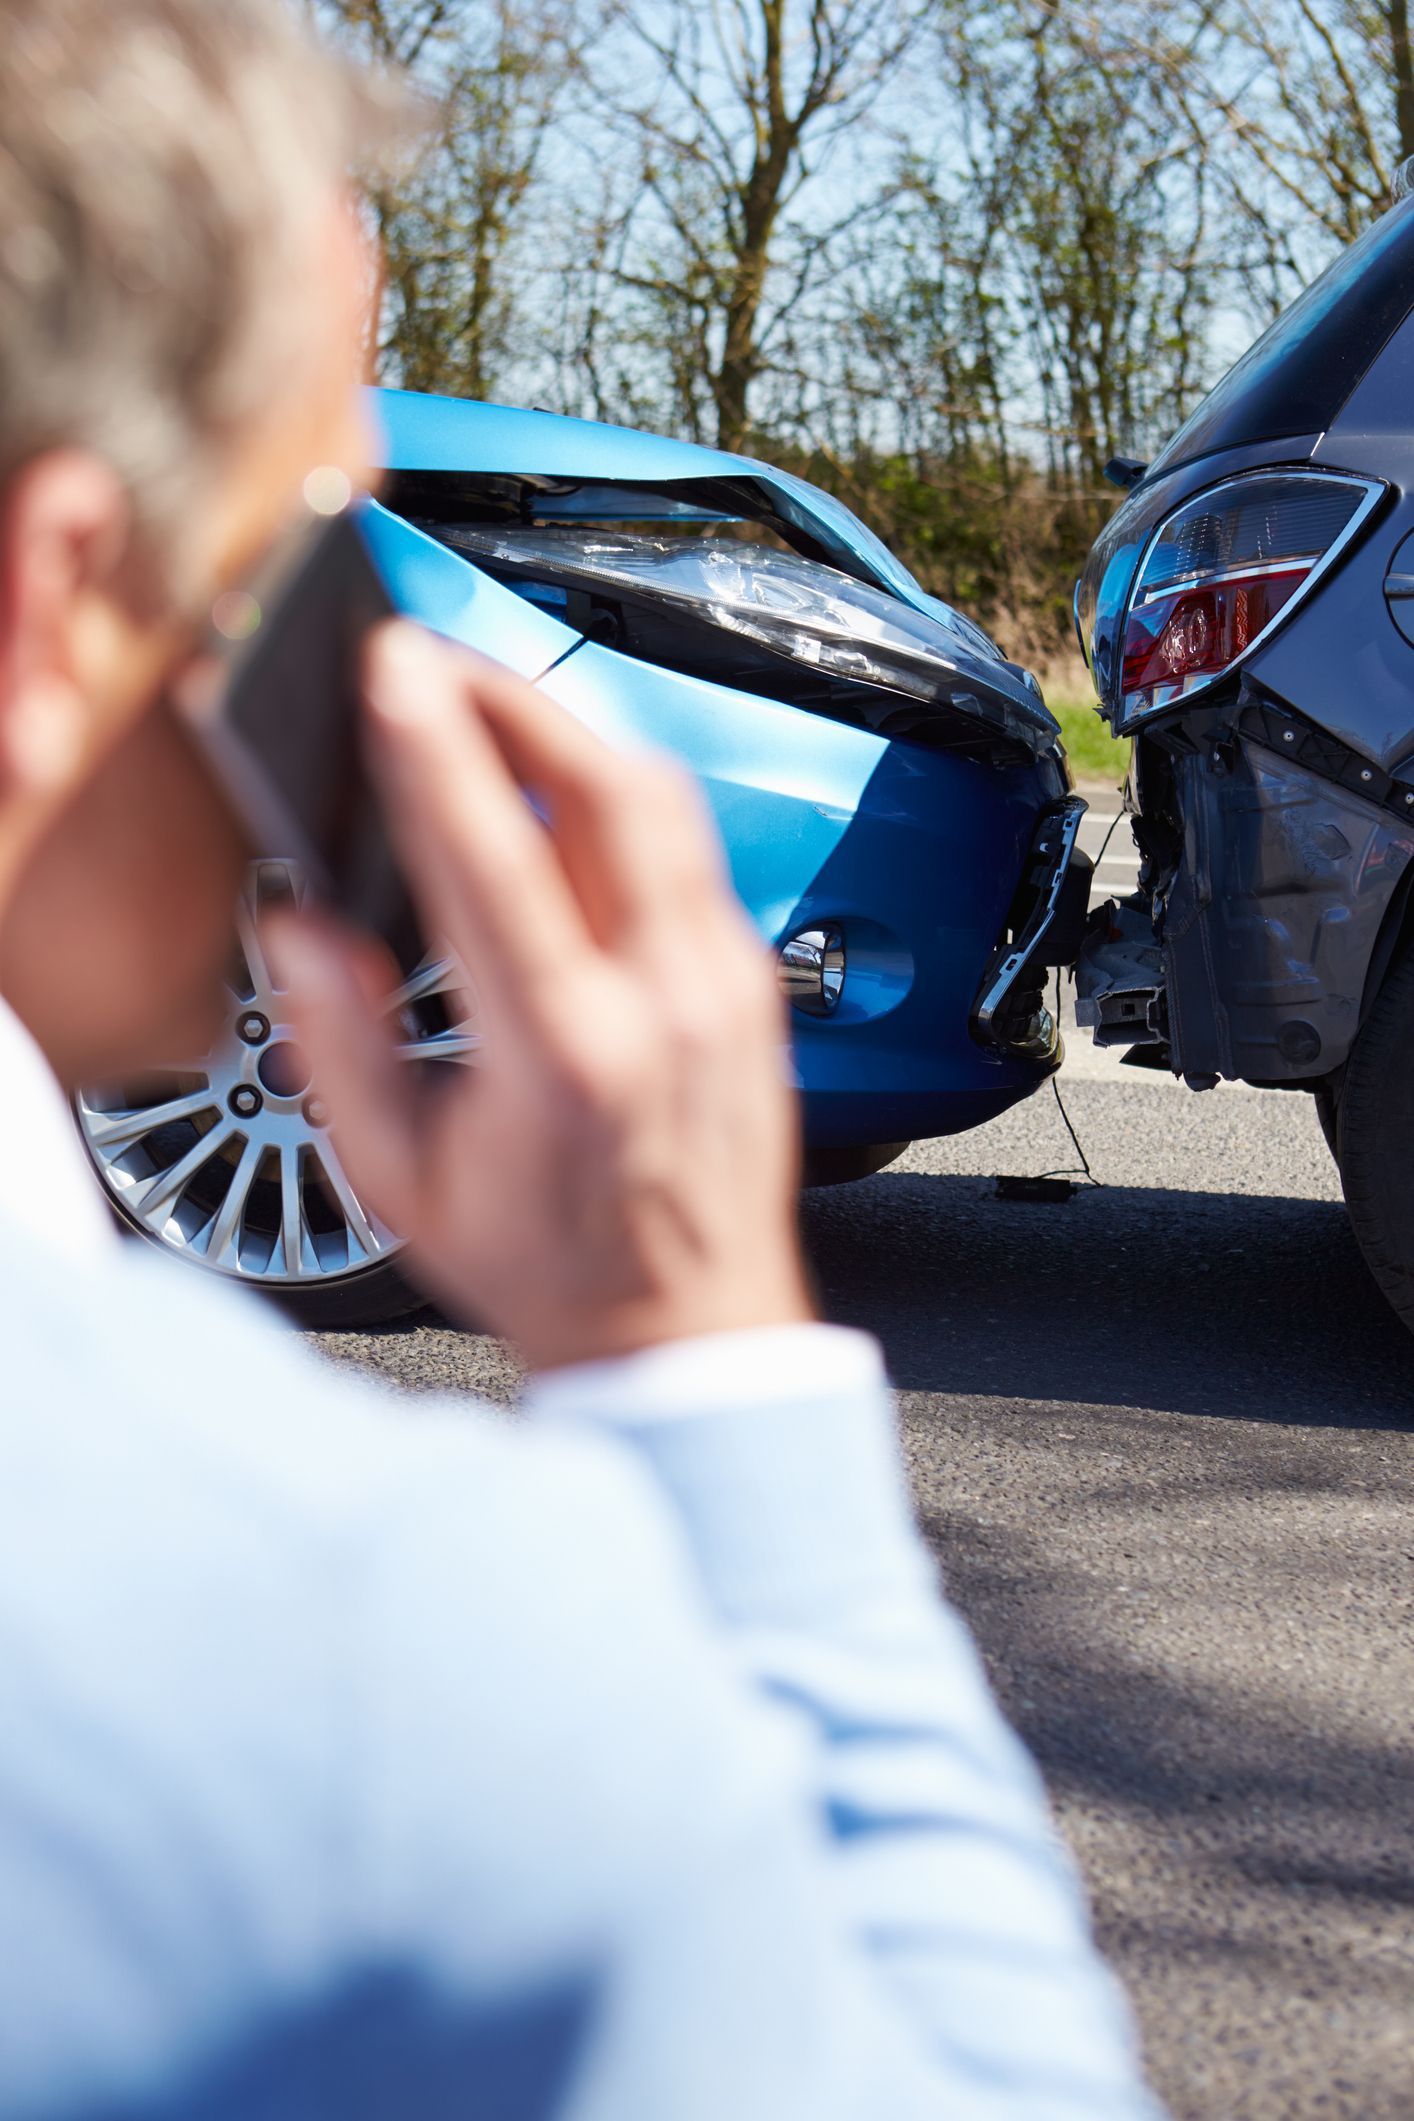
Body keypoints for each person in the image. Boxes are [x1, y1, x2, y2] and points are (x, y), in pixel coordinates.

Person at [0, 3, 1162, 2115]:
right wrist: (691, 1350)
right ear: (57, 602)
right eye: (299, 554)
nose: (347, 668)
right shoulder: (346, 1659)